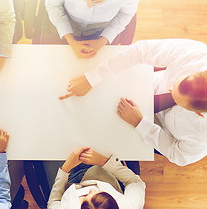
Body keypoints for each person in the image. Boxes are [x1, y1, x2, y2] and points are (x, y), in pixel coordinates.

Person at [59, 39, 207, 166]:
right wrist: (92, 77)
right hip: (141, 85)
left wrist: (140, 123)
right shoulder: (197, 54)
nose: (169, 88)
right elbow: (140, 51)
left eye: (178, 100)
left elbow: (177, 154)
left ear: (199, 114)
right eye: (175, 83)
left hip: (149, 130)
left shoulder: (202, 135)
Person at [45, 0, 141, 58]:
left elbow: (125, 14)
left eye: (97, 2)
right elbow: (54, 6)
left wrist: (103, 40)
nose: (89, 5)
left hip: (102, 31)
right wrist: (71, 41)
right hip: (66, 24)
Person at [48, 147, 145, 209]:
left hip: (72, 180)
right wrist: (104, 162)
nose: (92, 189)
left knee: (50, 150)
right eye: (102, 194)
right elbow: (135, 182)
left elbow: (53, 203)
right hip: (107, 173)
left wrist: (66, 168)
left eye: (84, 197)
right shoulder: (127, 206)